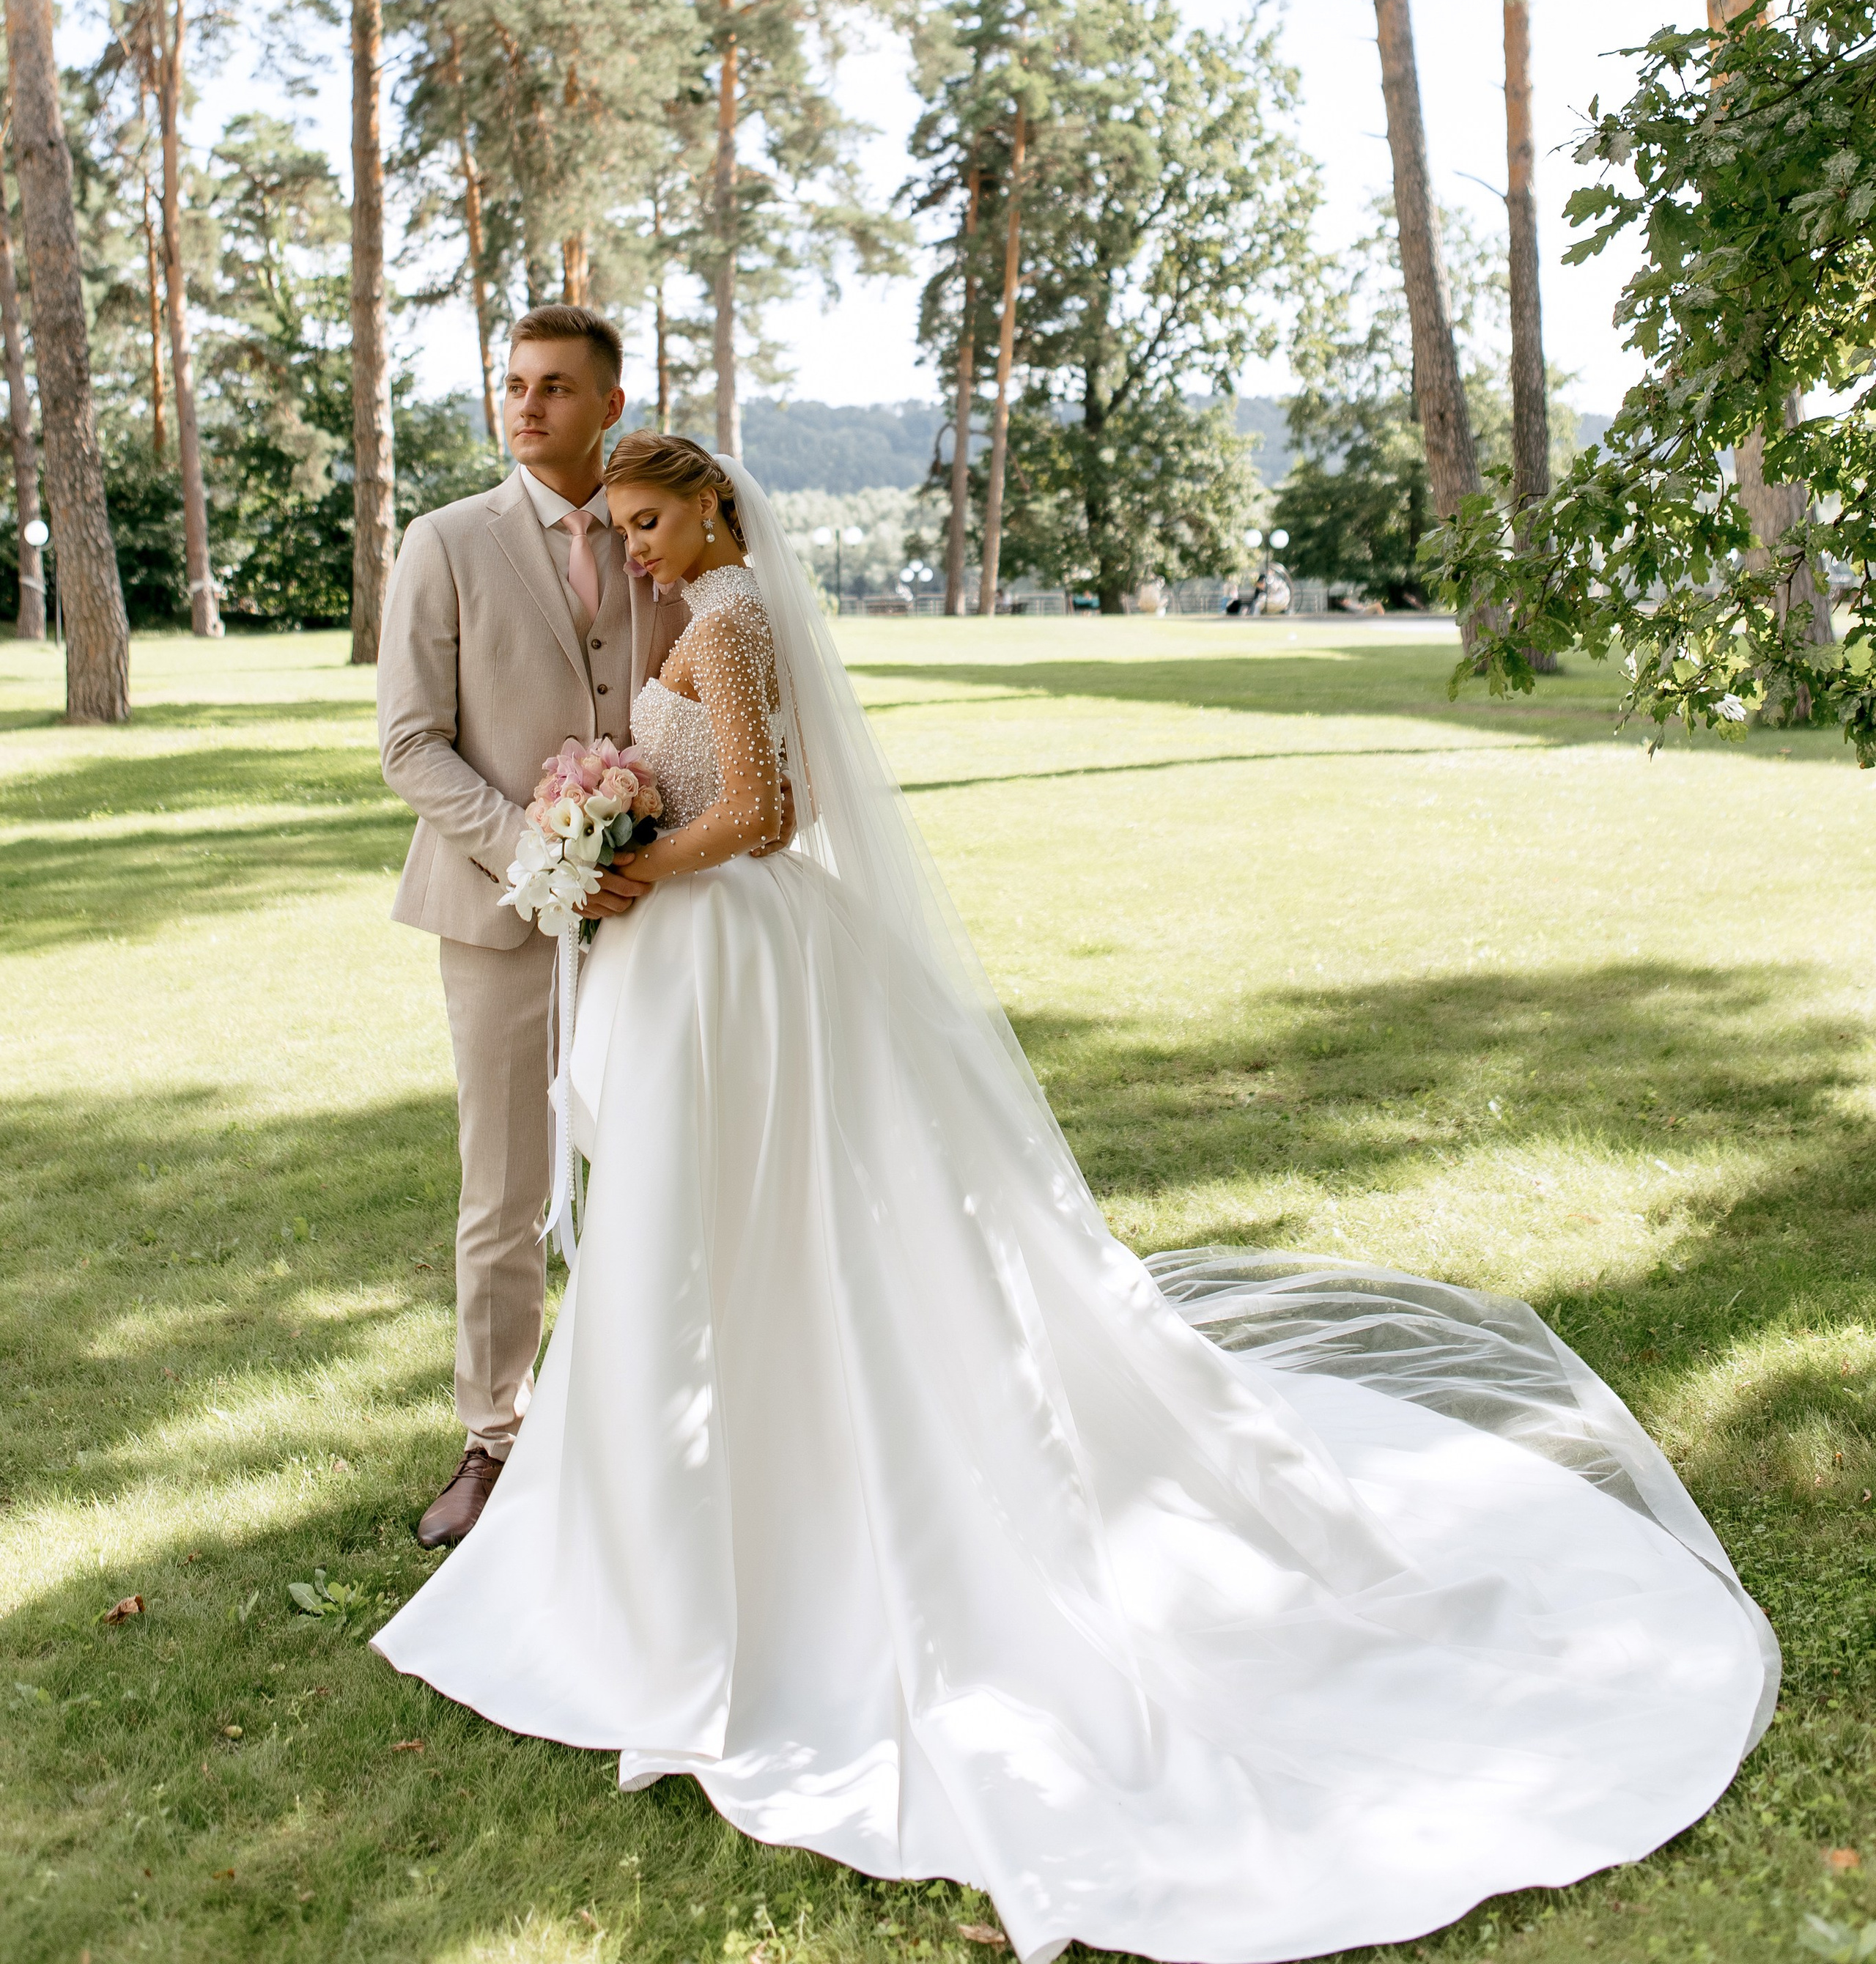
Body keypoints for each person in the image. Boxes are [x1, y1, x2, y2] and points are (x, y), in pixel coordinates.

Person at [377, 434, 1776, 1964]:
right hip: (716, 957)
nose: (633, 546)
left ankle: (745, 1518)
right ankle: (672, 1505)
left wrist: (633, 854)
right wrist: (623, 830)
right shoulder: (713, 611)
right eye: (624, 527)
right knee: (703, 1235)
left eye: (650, 521)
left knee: (755, 1222)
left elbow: (768, 815)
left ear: (712, 504)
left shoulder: (728, 618)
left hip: (733, 944)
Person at [374, 308, 679, 1548]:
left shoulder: (668, 536)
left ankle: (652, 1424)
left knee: (665, 1170)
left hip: (666, 918)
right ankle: (494, 1440)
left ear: (611, 404)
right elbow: (410, 743)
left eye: (556, 387)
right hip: (499, 920)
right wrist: (539, 854)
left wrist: (649, 857)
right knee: (503, 1189)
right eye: (513, 385)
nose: (528, 405)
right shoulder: (445, 543)